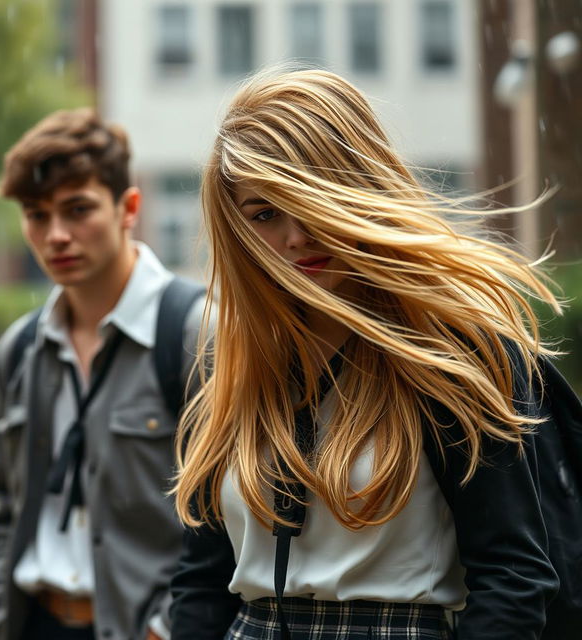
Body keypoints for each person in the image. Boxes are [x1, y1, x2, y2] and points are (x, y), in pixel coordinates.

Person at [168, 68, 564, 640]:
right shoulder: (233, 358)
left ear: (356, 190)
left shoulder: (447, 355)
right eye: (264, 214)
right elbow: (201, 580)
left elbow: (515, 576)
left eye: (309, 198)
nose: (296, 235)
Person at [0, 108, 207, 640]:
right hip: (33, 621)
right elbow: (7, 505)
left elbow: (230, 524)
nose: (56, 235)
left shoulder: (194, 335)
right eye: (36, 215)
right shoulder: (21, 349)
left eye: (77, 209)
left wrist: (171, 628)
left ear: (129, 207)